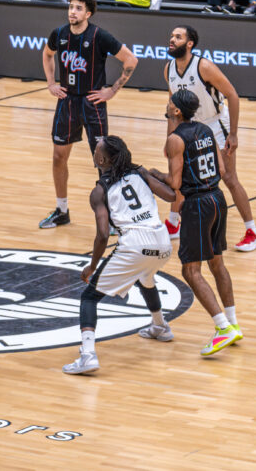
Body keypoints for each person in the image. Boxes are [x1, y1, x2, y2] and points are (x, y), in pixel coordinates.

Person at [61, 136, 177, 374]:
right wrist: (157, 175)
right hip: (162, 240)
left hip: (135, 243)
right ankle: (160, 326)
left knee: (89, 297)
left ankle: (88, 355)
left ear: (101, 159)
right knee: (146, 276)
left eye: (96, 149)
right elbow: (171, 196)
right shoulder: (140, 173)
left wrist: (92, 267)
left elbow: (103, 235)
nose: (94, 150)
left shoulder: (99, 191)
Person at [150, 89, 242, 356]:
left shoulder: (175, 139)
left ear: (177, 110)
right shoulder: (205, 130)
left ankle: (223, 328)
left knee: (190, 271)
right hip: (217, 198)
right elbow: (222, 171)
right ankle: (233, 323)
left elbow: (175, 185)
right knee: (217, 263)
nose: (166, 106)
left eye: (169, 103)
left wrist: (153, 174)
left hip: (198, 205)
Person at [39, 0, 139, 228]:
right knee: (58, 157)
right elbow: (47, 54)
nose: (73, 11)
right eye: (71, 6)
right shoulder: (59, 34)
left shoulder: (99, 36)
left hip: (92, 102)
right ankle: (61, 210)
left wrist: (112, 90)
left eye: (78, 8)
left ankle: (113, 216)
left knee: (104, 161)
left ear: (88, 13)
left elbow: (131, 60)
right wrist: (51, 83)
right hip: (67, 101)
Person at [165, 26, 256, 251]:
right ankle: (173, 224)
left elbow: (232, 95)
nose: (172, 39)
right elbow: (172, 107)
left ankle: (253, 232)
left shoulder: (204, 66)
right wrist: (169, 138)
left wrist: (234, 133)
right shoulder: (168, 69)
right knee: (179, 173)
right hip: (189, 127)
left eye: (178, 37)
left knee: (228, 177)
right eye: (171, 36)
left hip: (215, 124)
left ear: (189, 44)